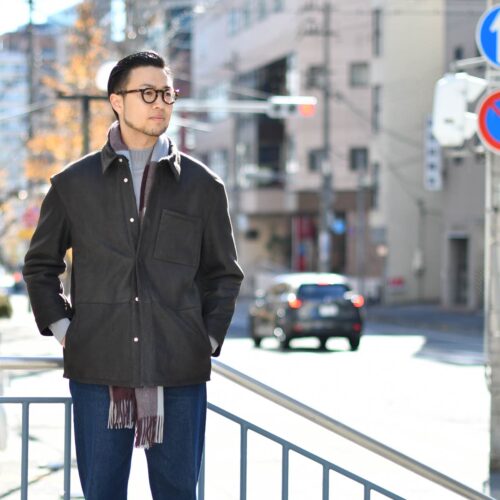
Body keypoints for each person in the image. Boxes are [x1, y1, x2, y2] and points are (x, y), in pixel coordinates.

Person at [22, 51, 244, 500]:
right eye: (147, 93)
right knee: (101, 492)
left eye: (167, 93)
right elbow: (40, 265)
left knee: (178, 493)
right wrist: (66, 330)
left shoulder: (203, 187)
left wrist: (205, 339)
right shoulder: (73, 184)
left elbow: (223, 275)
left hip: (179, 370)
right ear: (117, 101)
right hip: (98, 369)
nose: (160, 102)